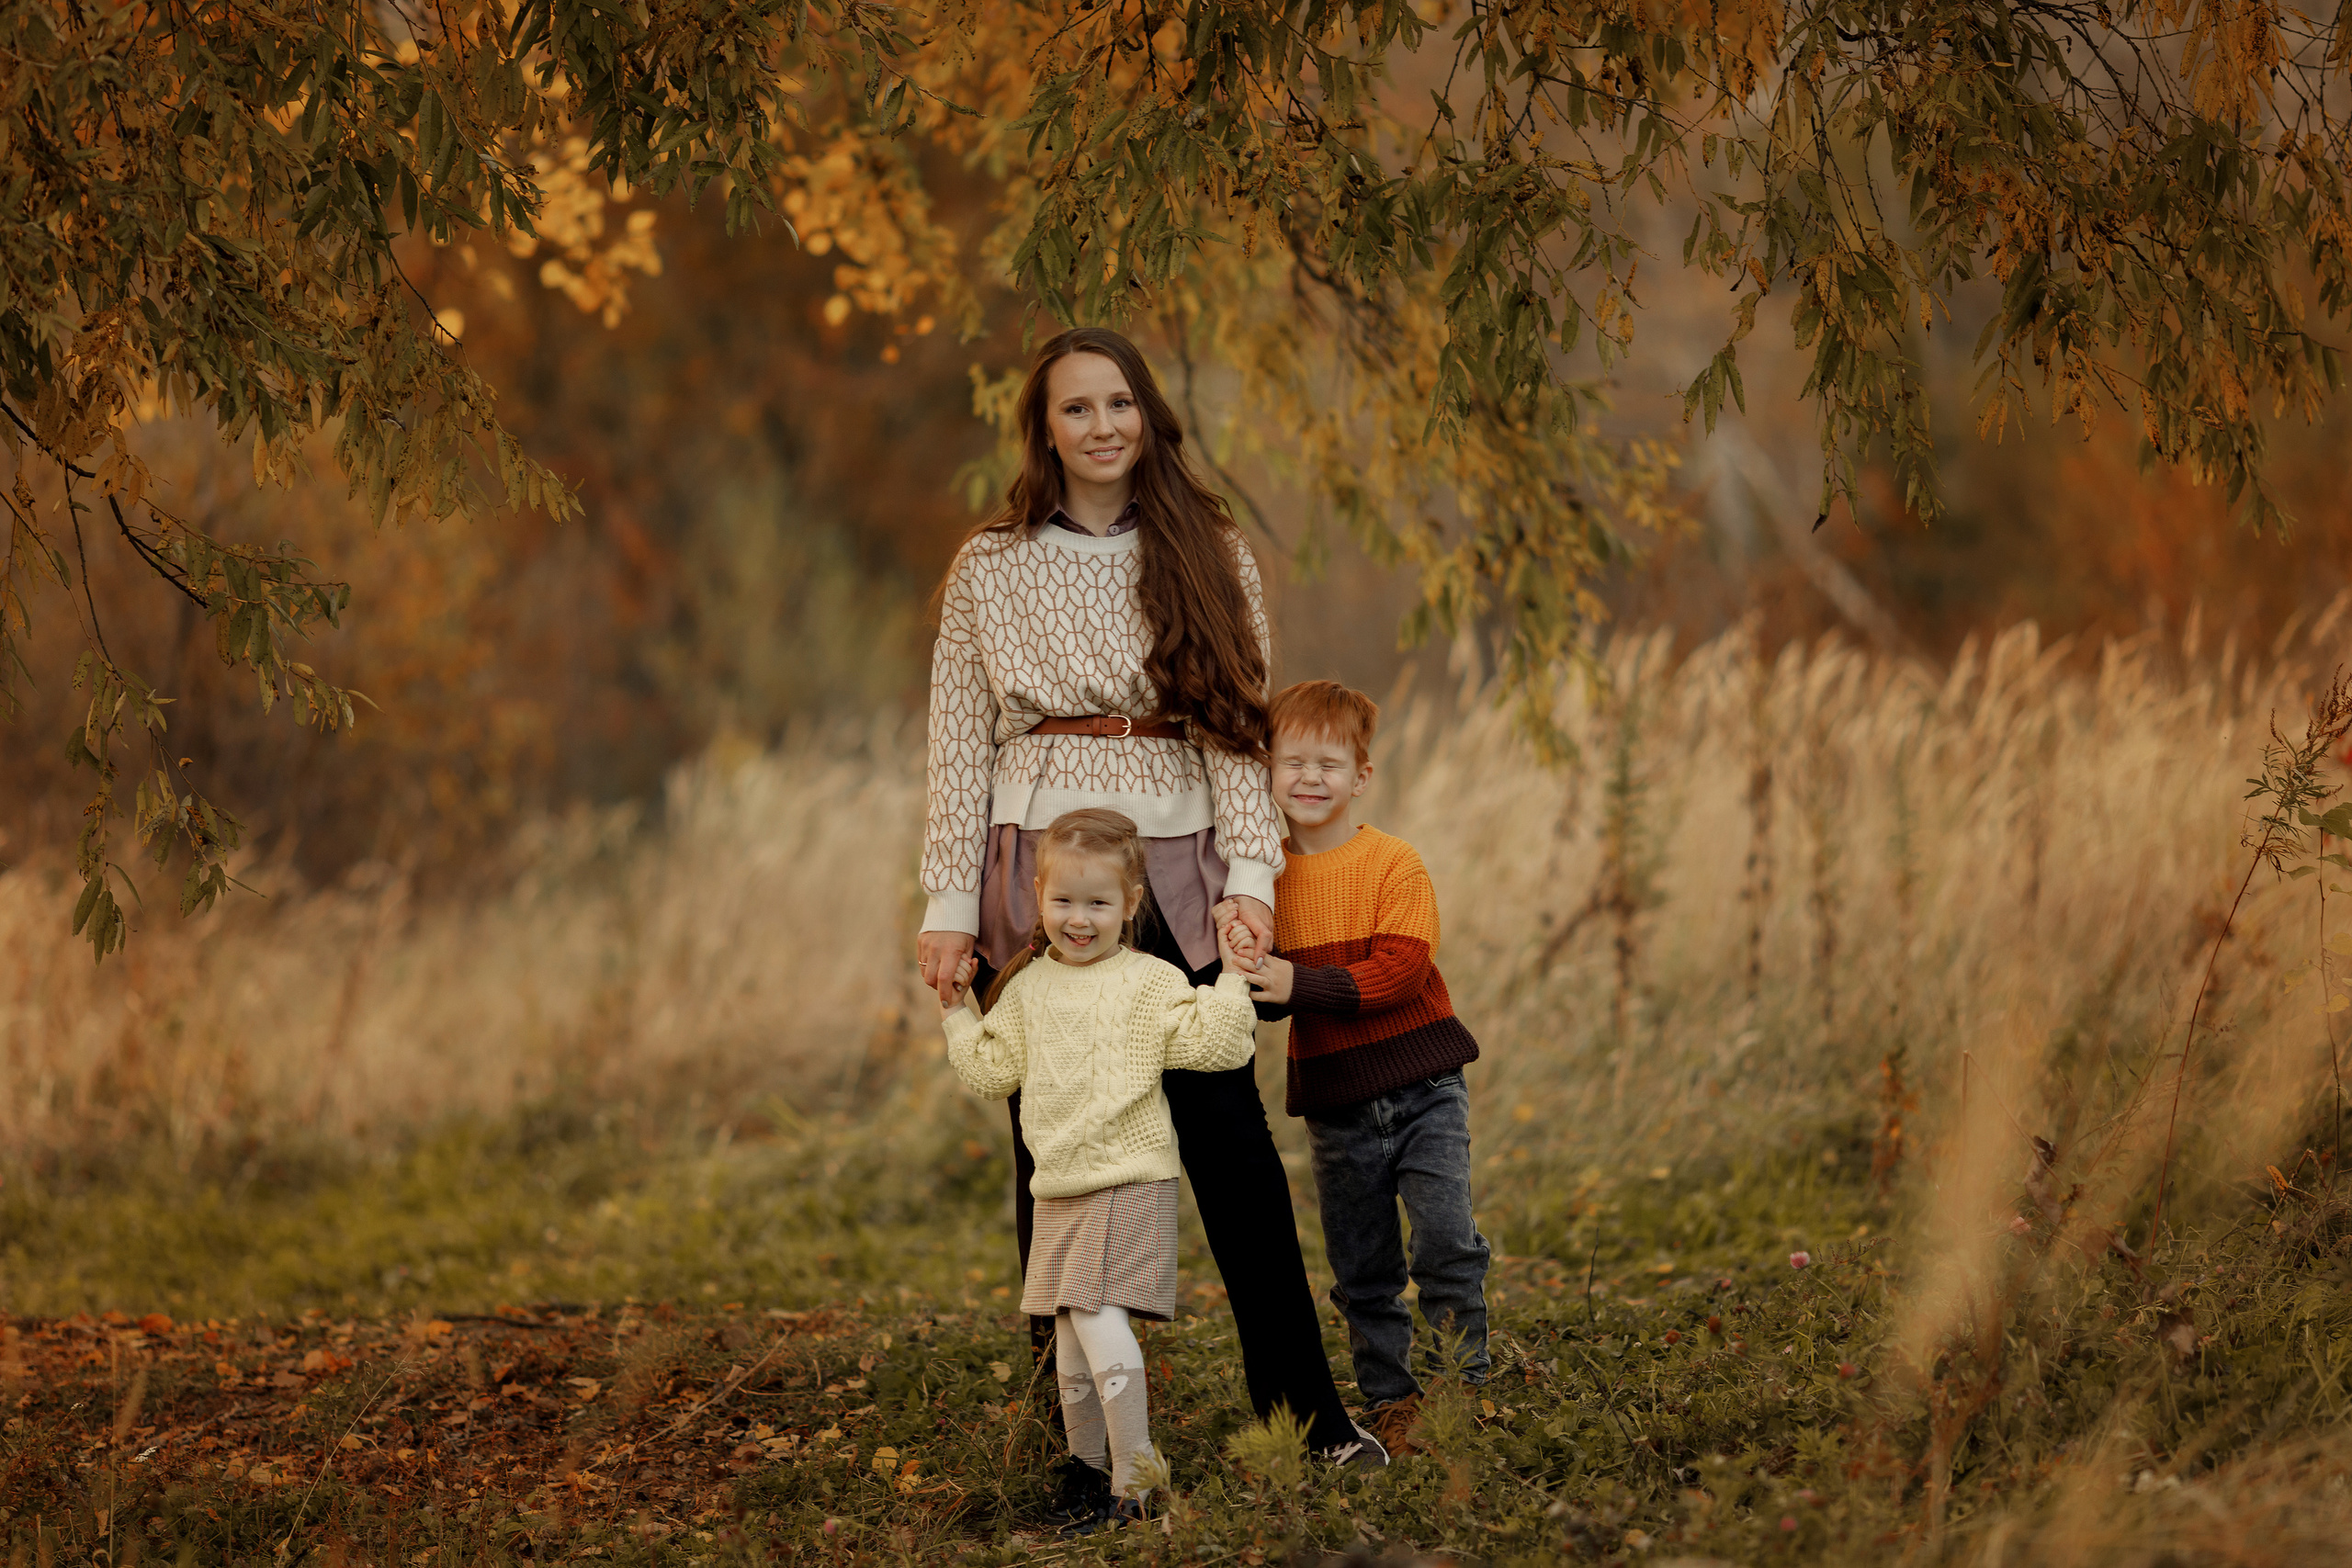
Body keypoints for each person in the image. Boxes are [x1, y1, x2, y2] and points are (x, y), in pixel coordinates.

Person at [914, 326, 1384, 1472]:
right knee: (1054, 1146)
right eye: (1076, 408)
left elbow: (1241, 729)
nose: (1102, 426)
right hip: (1042, 875)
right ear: (1043, 429)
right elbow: (955, 743)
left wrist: (1254, 880)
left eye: (1119, 403)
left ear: (1147, 415)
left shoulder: (1209, 548)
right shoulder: (990, 564)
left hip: (1179, 869)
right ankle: (1072, 1439)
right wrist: (946, 906)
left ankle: (1309, 1420)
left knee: (1230, 1143)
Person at [939, 809, 1261, 1533]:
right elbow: (992, 1070)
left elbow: (1217, 1044)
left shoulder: (1149, 980)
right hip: (1059, 1184)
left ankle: (1138, 1477)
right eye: (1063, 900)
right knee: (1068, 1328)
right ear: (1038, 896)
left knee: (1093, 1312)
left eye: (1098, 902)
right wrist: (957, 1012)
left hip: (1126, 1173)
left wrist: (1235, 976)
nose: (1078, 919)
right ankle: (1086, 1471)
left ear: (1131, 902)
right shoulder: (1027, 988)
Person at [1218, 680, 1491, 1458]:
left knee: (1445, 1240)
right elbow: (1275, 1002)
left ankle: (1461, 1387)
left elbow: (1401, 971)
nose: (1310, 777)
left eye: (1329, 763)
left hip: (1424, 1090)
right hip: (1337, 1106)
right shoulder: (1263, 883)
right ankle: (1391, 1397)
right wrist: (1248, 966)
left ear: (1361, 775)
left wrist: (1296, 982)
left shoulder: (1392, 862)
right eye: (1293, 761)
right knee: (1362, 1264)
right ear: (1266, 771)